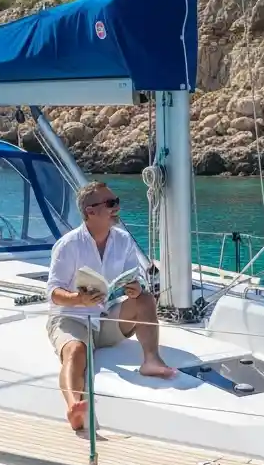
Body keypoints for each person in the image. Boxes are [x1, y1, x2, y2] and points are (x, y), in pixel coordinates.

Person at [47, 182, 174, 431]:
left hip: (105, 316)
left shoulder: (123, 240)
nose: (116, 208)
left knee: (145, 299)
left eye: (116, 202)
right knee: (75, 352)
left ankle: (151, 360)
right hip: (71, 317)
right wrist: (78, 299)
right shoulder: (68, 244)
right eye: (110, 204)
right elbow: (52, 292)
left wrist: (135, 288)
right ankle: (75, 407)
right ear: (90, 211)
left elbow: (133, 277)